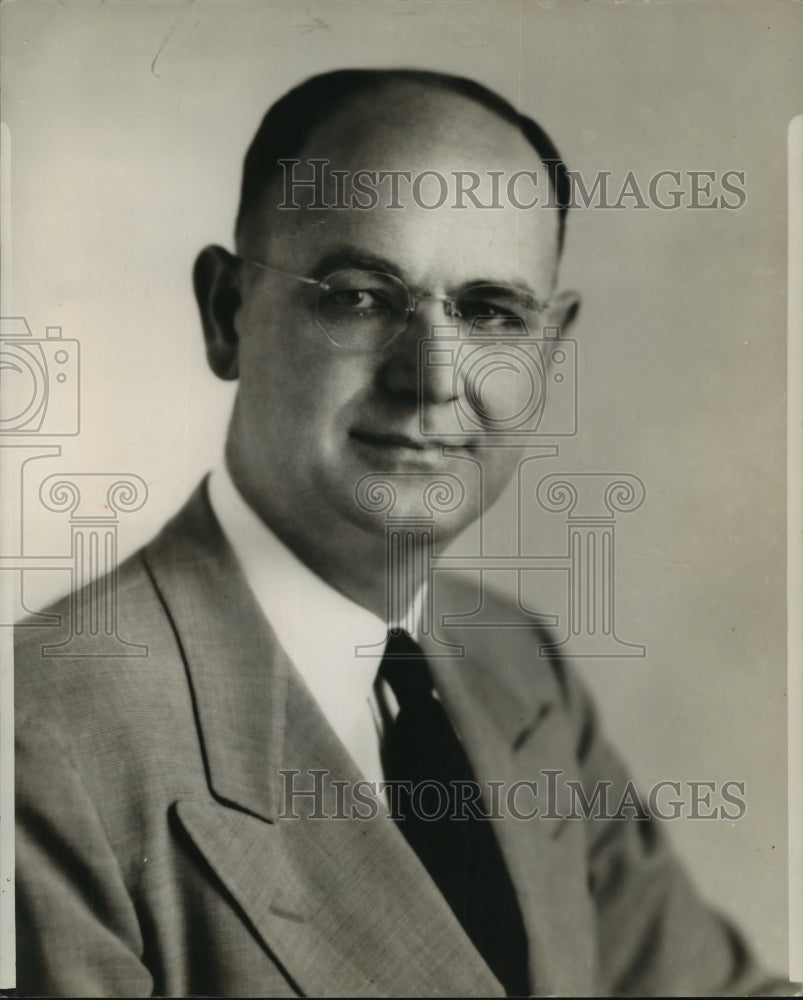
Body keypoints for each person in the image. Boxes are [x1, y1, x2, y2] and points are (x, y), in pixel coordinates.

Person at [14, 68, 788, 997]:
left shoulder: (513, 668)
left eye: (491, 313)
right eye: (358, 297)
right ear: (227, 312)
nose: (431, 377)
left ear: (547, 347)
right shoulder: (40, 739)